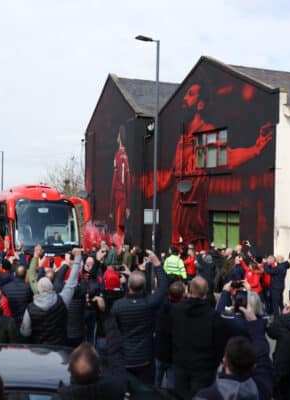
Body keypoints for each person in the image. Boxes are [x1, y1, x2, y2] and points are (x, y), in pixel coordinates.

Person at [142, 81, 273, 246]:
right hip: (178, 227)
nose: (183, 98)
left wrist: (255, 149)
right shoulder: (182, 139)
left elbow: (229, 158)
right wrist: (149, 191)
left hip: (195, 226)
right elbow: (172, 174)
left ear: (201, 104)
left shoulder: (207, 133)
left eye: (190, 94)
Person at [194, 302, 273, 400]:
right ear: (254, 365)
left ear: (224, 361)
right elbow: (262, 354)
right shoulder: (262, 388)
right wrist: (254, 323)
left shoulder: (206, 396)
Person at [111, 250, 168, 385]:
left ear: (128, 285)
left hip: (125, 357)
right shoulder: (149, 303)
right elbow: (163, 287)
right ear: (144, 287)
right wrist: (157, 263)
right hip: (145, 358)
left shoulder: (118, 306)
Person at [57, 297, 128, 400]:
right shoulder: (115, 388)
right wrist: (105, 314)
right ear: (99, 370)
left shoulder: (63, 396)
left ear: (70, 371)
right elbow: (115, 350)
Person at [171, 276, 227, 400]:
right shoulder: (213, 315)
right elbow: (219, 344)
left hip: (184, 363)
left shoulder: (176, 310)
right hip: (202, 367)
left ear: (189, 290)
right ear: (206, 292)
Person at [20, 248, 82, 345]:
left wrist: (36, 256)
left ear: (38, 290)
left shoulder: (30, 309)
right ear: (52, 287)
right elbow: (72, 282)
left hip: (38, 348)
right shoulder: (62, 300)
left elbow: (25, 332)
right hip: (59, 347)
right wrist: (77, 258)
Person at [154, 280, 185, 390]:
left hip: (159, 351)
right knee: (172, 389)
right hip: (173, 355)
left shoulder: (160, 307)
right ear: (182, 295)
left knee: (155, 385)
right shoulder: (183, 312)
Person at [2, 265, 33, 331]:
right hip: (23, 319)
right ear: (25, 275)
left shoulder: (5, 287)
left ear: (14, 274)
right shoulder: (28, 288)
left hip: (10, 319)